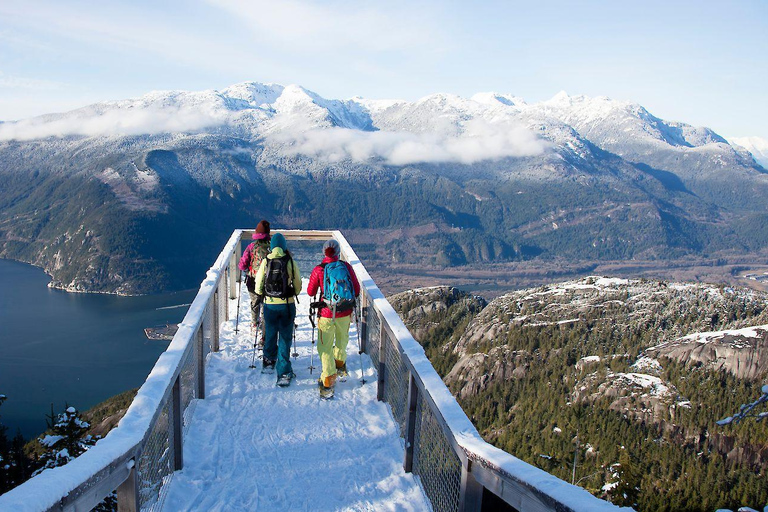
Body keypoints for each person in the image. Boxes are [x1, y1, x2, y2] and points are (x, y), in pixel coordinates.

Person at [307, 239, 360, 398]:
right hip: (345, 312)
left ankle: (328, 379)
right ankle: (339, 364)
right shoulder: (346, 267)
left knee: (324, 347)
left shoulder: (319, 269)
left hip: (327, 314)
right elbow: (356, 289)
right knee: (342, 339)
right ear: (338, 252)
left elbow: (310, 292)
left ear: (324, 252)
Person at [254, 232, 302, 386]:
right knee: (285, 337)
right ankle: (284, 372)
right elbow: (298, 284)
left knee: (270, 332)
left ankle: (268, 362)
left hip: (269, 304)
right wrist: (292, 293)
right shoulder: (289, 261)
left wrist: (263, 295)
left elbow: (258, 284)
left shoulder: (266, 261)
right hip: (286, 305)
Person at [238, 220, 271, 335]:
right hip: (269, 281)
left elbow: (242, 265)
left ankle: (254, 324)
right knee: (266, 302)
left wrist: (247, 269)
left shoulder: (252, 247)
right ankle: (264, 323)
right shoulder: (272, 247)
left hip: (253, 280)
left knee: (255, 302)